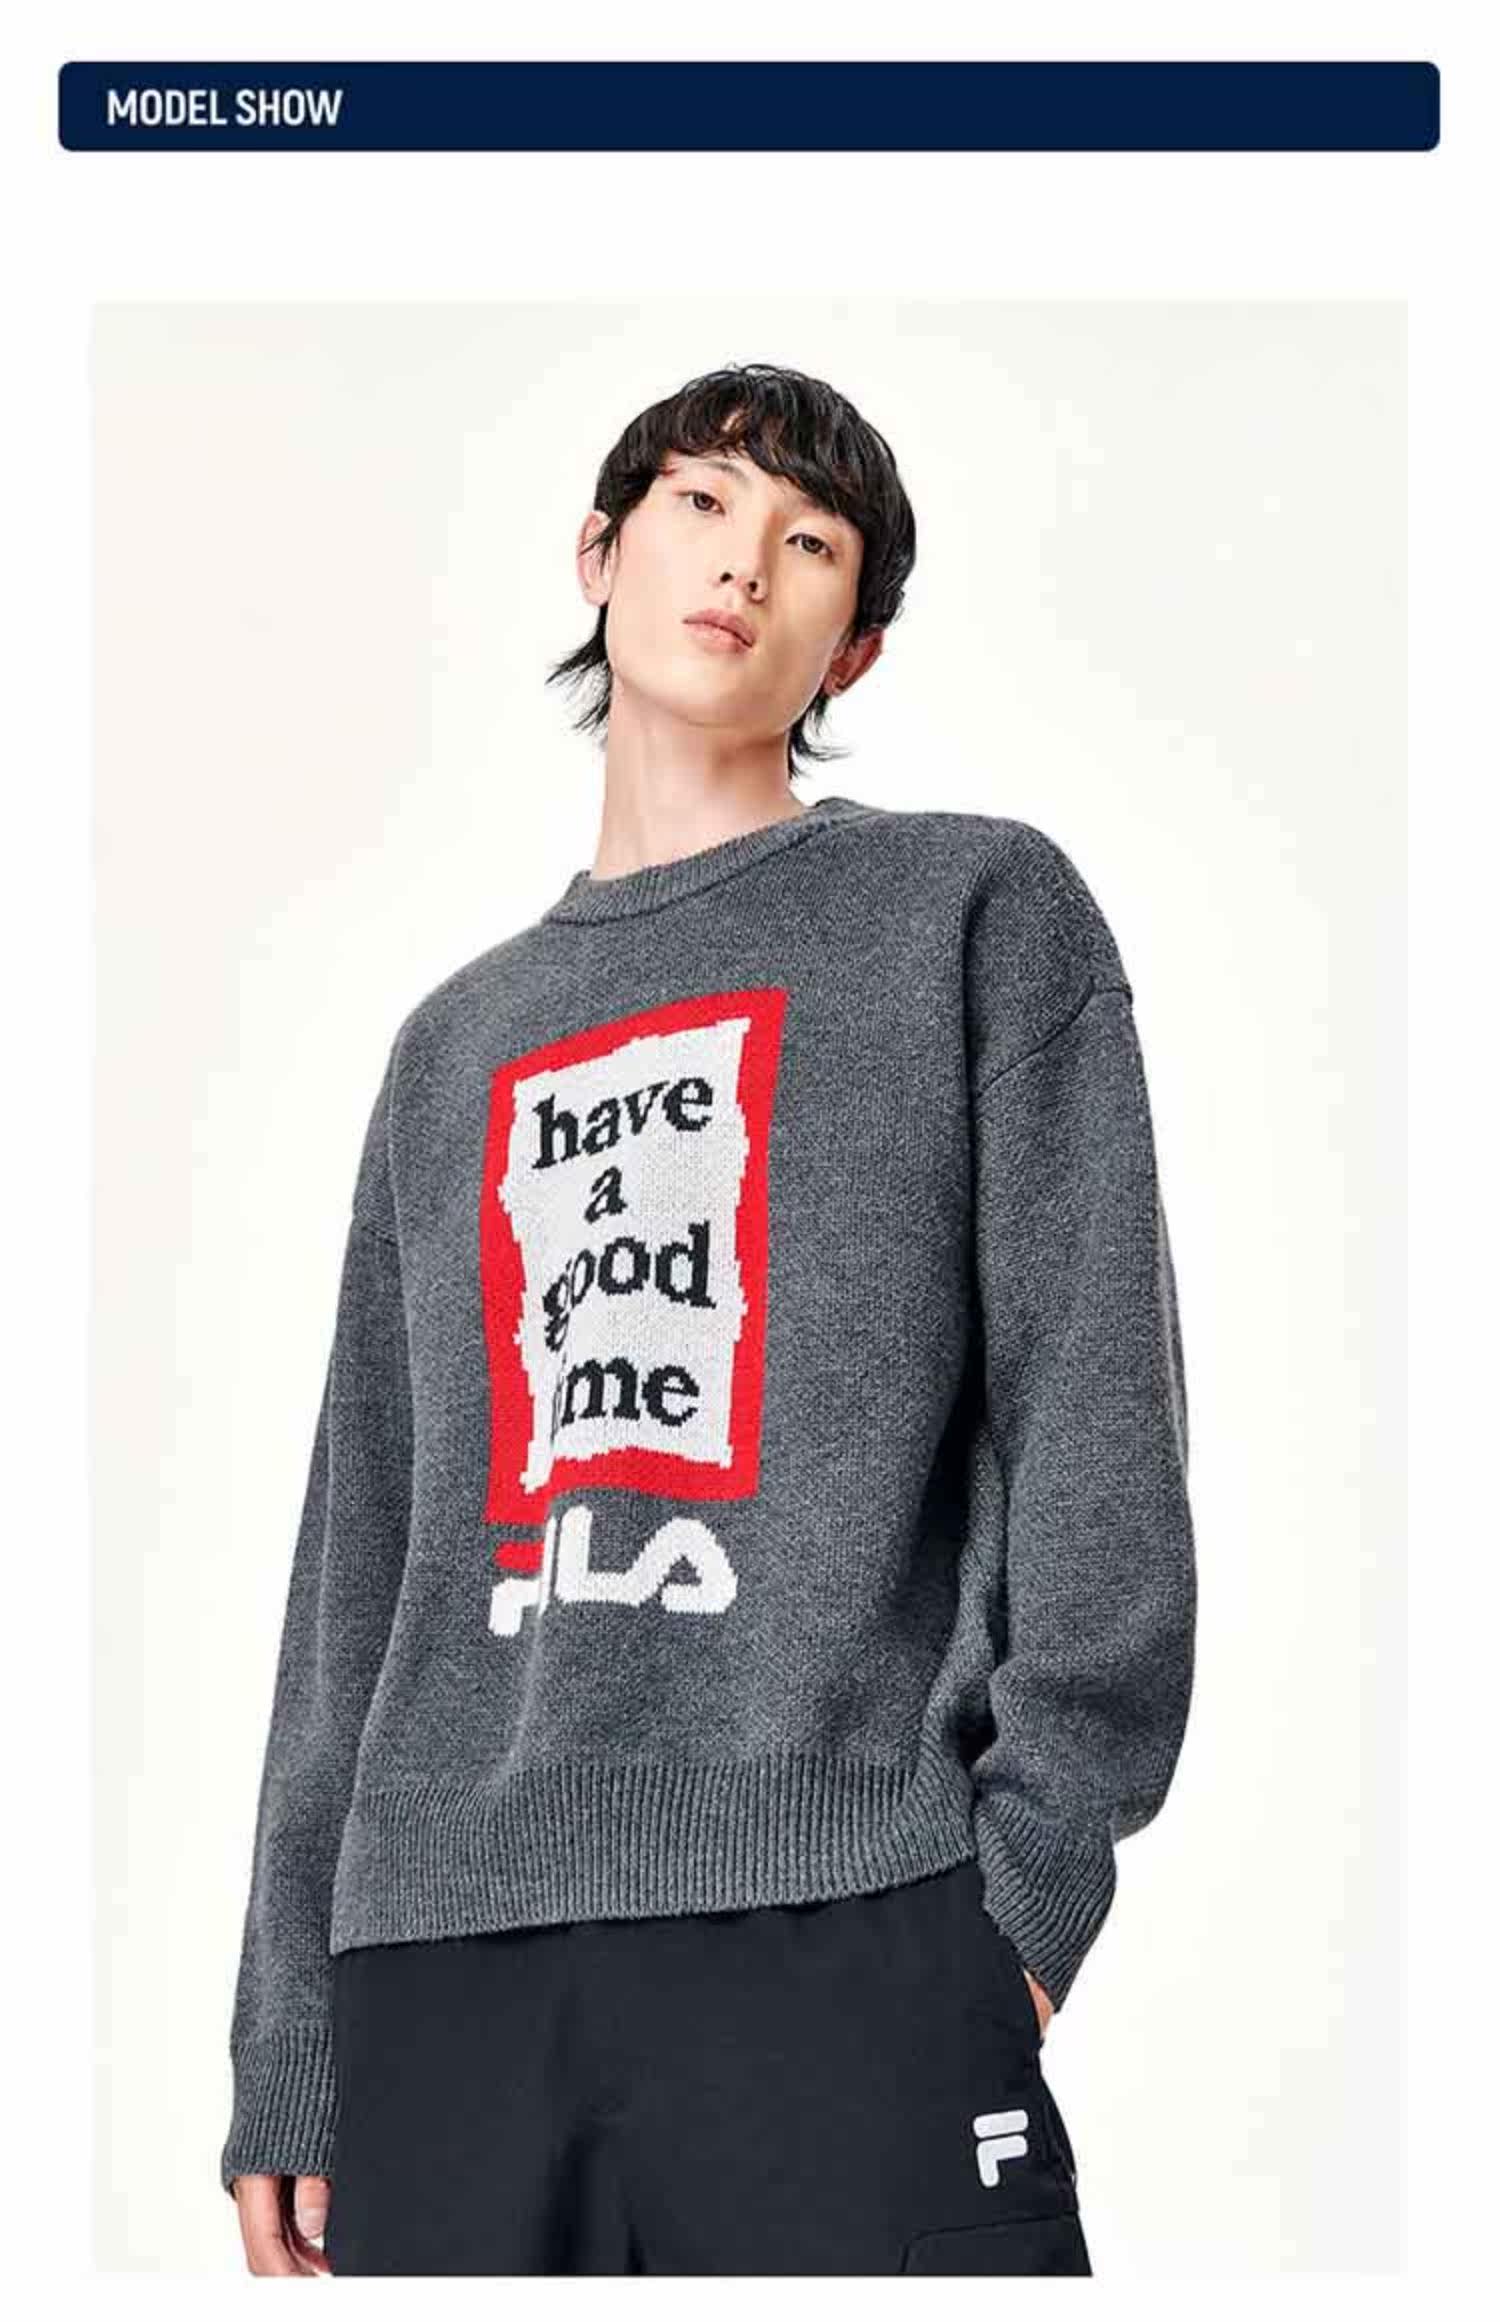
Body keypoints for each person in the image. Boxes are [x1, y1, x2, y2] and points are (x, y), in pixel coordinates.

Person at [220, 360, 1197, 2276]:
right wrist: (291, 2038)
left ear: (858, 644)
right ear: (599, 552)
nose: (745, 562)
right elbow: (362, 1560)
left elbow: (1094, 1405)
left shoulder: (973, 913)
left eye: (811, 543)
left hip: (844, 1924)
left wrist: (1029, 1886)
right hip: (443, 1977)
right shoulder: (451, 1050)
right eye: (701, 503)